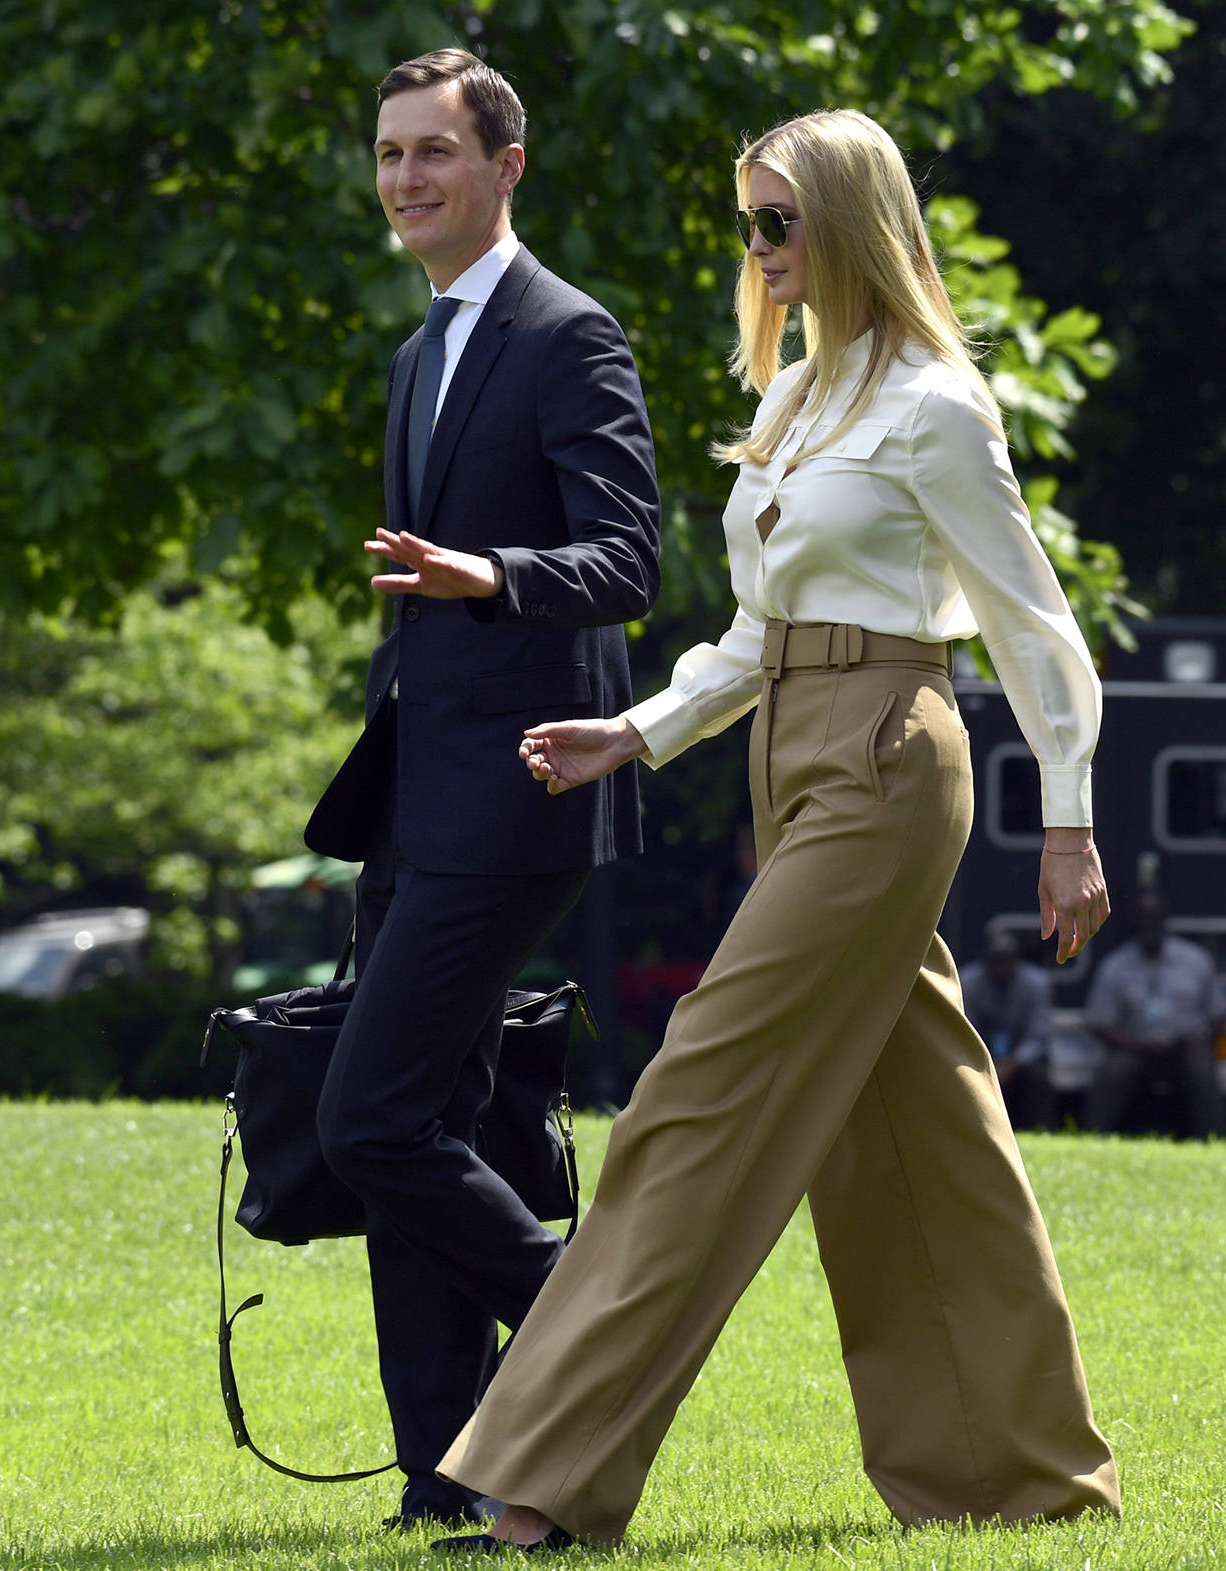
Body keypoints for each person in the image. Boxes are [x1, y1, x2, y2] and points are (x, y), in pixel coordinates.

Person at [431, 108, 1119, 1552]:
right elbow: (756, 633)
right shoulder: (804, 398)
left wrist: (1072, 822)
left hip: (884, 755)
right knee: (916, 1129)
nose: (758, 249)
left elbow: (1040, 633)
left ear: (853, 221)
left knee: (696, 1089)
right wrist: (639, 730)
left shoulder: (937, 403)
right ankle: (1022, 1467)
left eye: (777, 221)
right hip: (787, 748)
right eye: (748, 222)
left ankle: (542, 1473)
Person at [301, 49, 661, 1528]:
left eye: (432, 153)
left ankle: (596, 1322)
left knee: (369, 1116)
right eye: (389, 156)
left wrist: (493, 575)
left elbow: (629, 560)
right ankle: (441, 1476)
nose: (405, 180)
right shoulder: (417, 350)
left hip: (520, 795)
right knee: (416, 1121)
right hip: (414, 798)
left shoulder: (569, 335)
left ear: (506, 166)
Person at [1084, 888, 1226, 1138]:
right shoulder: (1116, 966)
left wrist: (1199, 1038)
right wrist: (1133, 1044)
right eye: (1143, 918)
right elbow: (1099, 1021)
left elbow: (1217, 1012)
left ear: (1164, 919)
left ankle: (1215, 1140)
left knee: (1202, 1071)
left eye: (1154, 918)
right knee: (1114, 1071)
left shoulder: (1195, 960)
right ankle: (1093, 1137)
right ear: (1135, 923)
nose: (1149, 924)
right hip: (1135, 1051)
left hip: (1185, 1049)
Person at [959, 926, 1057, 1129]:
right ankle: (972, 1129)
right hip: (980, 1054)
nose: (1001, 968)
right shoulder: (967, 982)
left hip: (1020, 1059)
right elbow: (964, 1028)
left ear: (1017, 960)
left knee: (1037, 1073)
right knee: (962, 1070)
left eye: (1006, 961)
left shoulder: (1037, 984)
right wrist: (988, 1061)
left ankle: (1039, 1128)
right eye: (996, 961)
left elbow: (1039, 1037)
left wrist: (1011, 1064)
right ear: (985, 961)